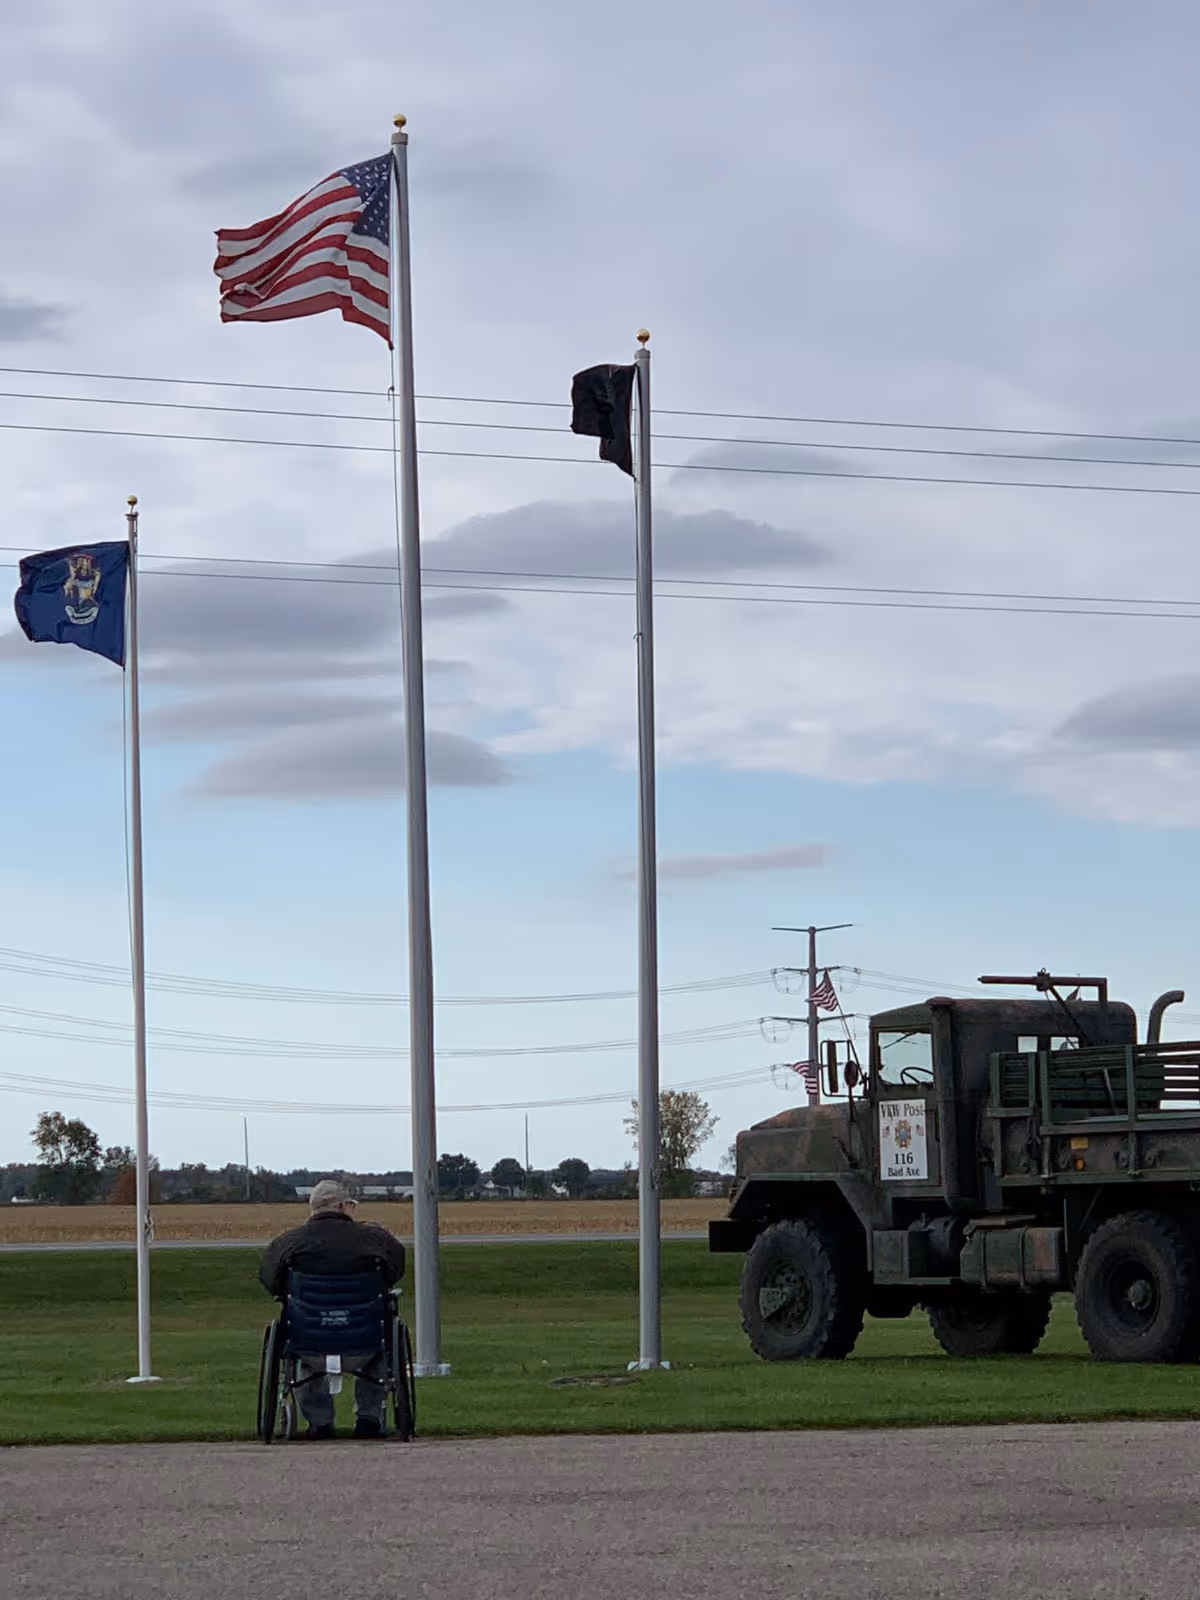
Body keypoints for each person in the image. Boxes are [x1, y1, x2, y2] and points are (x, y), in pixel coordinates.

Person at [258, 1179, 406, 1440]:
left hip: (309, 1339)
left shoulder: (288, 1243)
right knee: (381, 1342)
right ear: (344, 1206)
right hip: (366, 1340)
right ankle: (369, 1418)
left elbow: (270, 1279)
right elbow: (395, 1271)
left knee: (300, 1348)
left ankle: (320, 1422)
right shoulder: (375, 1239)